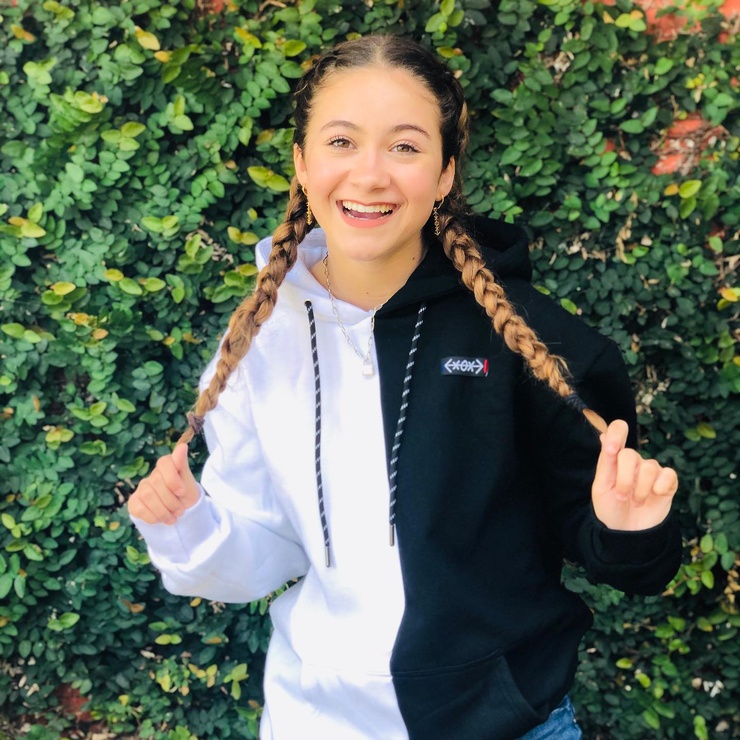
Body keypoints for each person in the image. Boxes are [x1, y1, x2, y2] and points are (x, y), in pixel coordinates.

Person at [128, 35, 681, 740]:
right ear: (302, 163)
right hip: (314, 722)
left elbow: (619, 552)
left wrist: (629, 529)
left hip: (504, 723)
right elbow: (266, 549)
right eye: (341, 141)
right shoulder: (260, 339)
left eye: (405, 147)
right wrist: (188, 525)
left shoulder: (530, 339)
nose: (370, 175)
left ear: (444, 173)